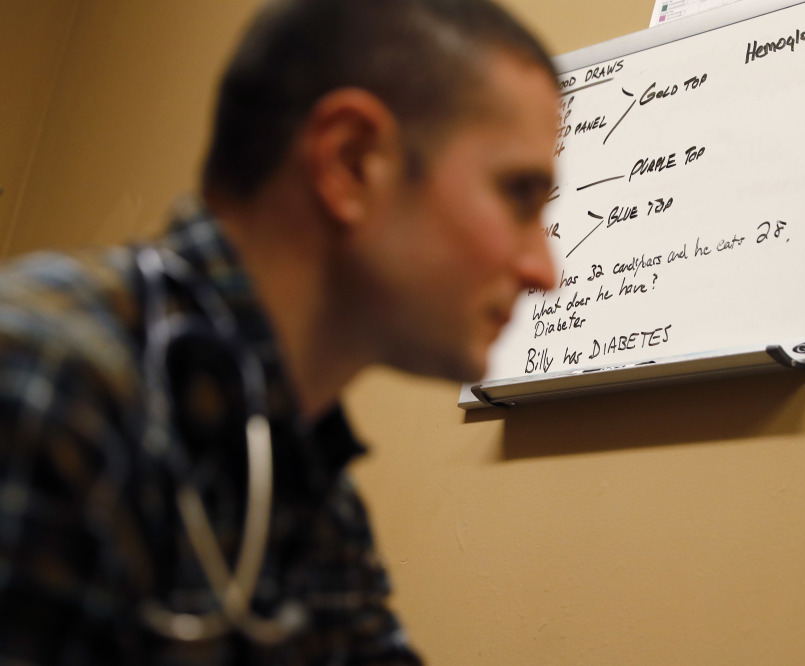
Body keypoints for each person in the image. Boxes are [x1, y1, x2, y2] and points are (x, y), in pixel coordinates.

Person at [0, 0, 559, 662]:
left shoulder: (309, 491)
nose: (542, 270)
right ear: (350, 162)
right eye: (519, 195)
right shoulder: (49, 373)